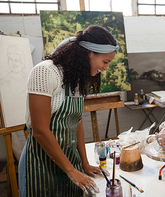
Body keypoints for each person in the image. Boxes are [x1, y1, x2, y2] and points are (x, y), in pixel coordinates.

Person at [18, 25, 120, 197]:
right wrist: (71, 170)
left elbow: (76, 121)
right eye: (105, 62)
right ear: (89, 53)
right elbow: (40, 131)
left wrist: (84, 163)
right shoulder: (45, 72)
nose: (106, 68)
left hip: (70, 163)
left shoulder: (76, 78)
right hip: (41, 165)